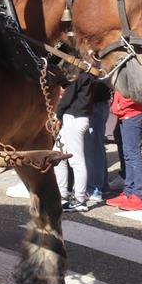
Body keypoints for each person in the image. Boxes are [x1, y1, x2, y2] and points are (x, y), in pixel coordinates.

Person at [106, 91, 142, 211]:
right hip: (124, 112)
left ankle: (137, 195)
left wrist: (121, 105)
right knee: (128, 154)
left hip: (131, 113)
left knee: (133, 154)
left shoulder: (137, 72)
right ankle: (128, 192)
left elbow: (139, 91)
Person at [53, 73, 94, 212]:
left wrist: (57, 114)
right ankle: (62, 194)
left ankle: (79, 199)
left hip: (74, 118)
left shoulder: (80, 75)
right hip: (74, 118)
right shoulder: (86, 75)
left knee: (76, 161)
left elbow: (67, 97)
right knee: (58, 155)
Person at [86, 80, 112, 200]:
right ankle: (102, 186)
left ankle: (95, 188)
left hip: (94, 104)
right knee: (97, 147)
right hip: (98, 103)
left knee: (93, 149)